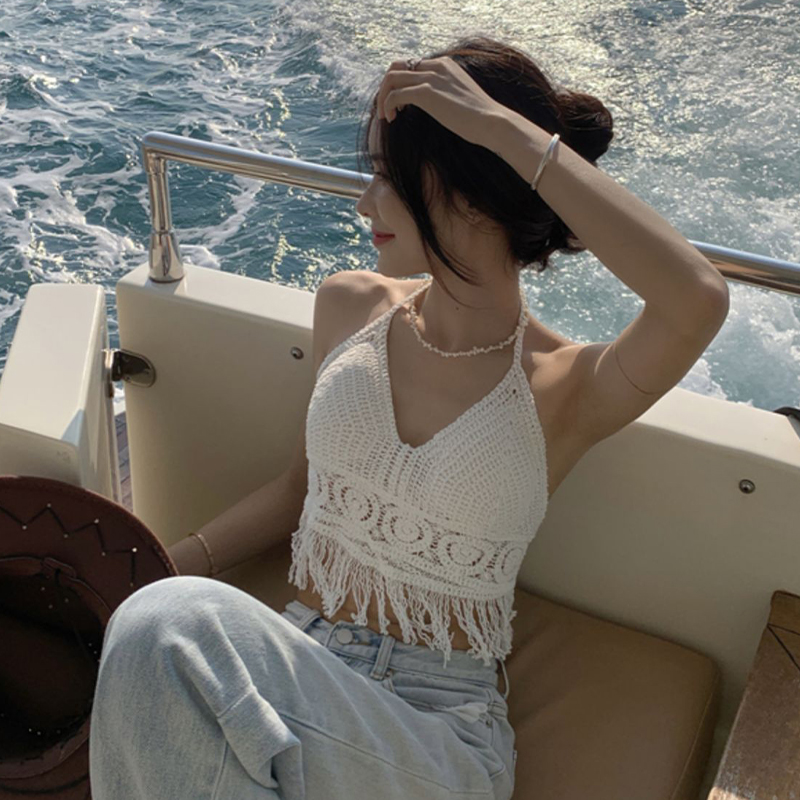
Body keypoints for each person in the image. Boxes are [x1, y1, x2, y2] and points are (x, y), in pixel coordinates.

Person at [89, 36, 729, 800]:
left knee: (166, 628)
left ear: (471, 190)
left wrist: (502, 130)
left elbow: (697, 299)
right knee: (153, 635)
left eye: (390, 179)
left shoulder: (565, 385)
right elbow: (300, 490)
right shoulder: (349, 306)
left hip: (438, 734)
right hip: (300, 665)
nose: (365, 203)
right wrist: (161, 566)